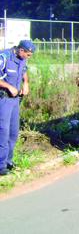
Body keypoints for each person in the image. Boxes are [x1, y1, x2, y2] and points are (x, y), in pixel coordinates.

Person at [0, 40, 35, 176]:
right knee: (3, 132)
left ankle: (8, 161)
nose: (29, 57)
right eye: (28, 55)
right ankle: (1, 165)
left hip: (15, 101)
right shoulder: (4, 57)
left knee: (13, 132)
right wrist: (8, 86)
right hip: (3, 99)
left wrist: (26, 83)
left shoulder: (22, 59)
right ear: (21, 50)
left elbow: (23, 71)